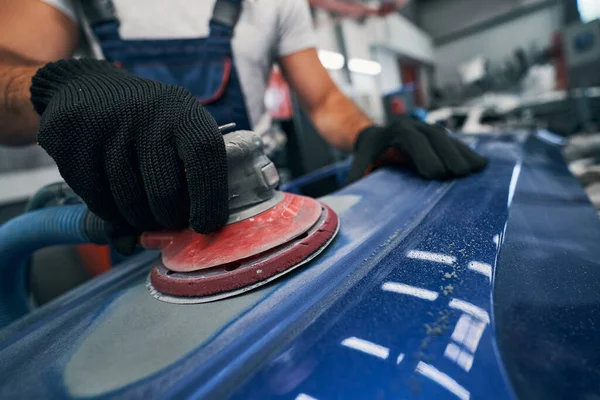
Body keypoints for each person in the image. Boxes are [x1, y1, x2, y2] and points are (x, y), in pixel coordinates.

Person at [0, 0, 487, 238]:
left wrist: (369, 134)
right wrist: (54, 85)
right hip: (143, 231)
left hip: (262, 216)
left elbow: (323, 102)